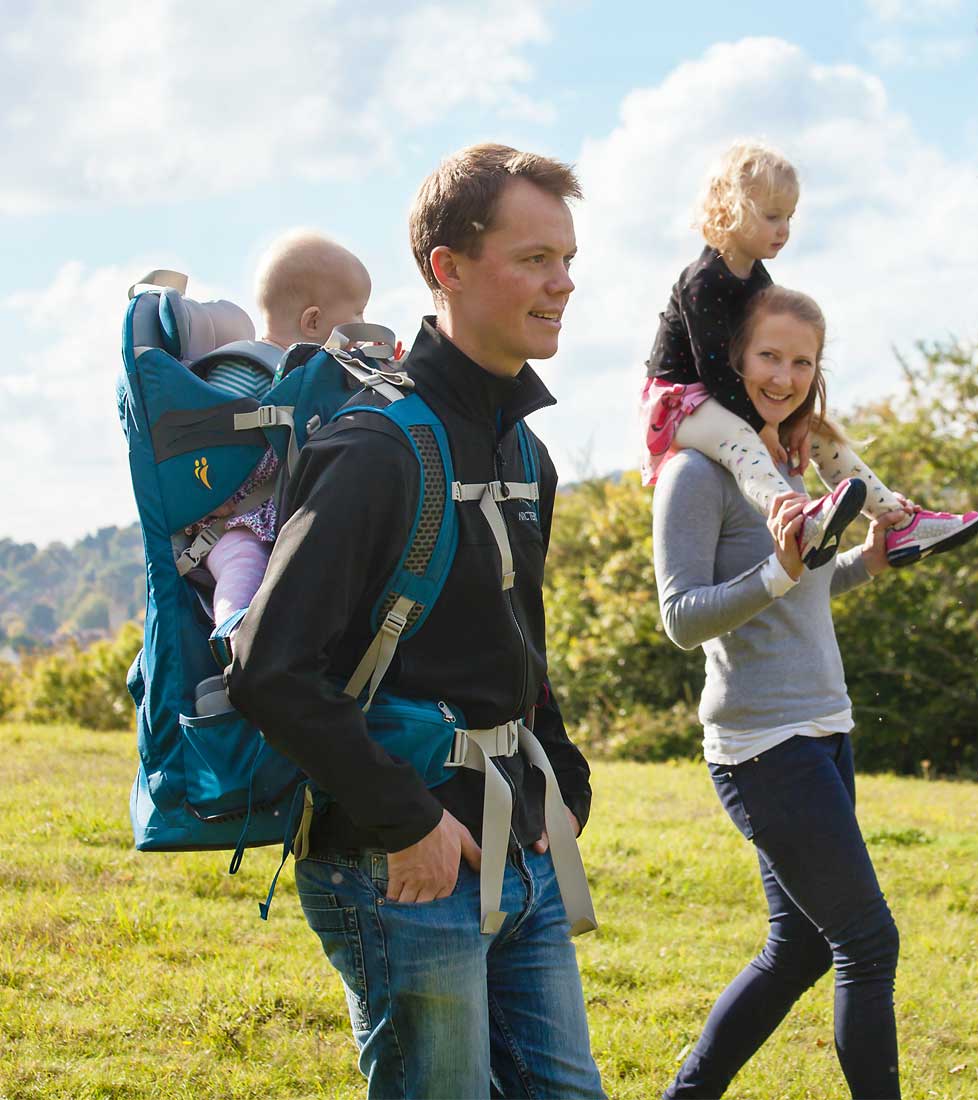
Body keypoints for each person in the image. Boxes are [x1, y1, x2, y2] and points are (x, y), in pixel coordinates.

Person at [227, 145, 604, 1099]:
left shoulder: (525, 449)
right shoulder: (373, 448)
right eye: (533, 259)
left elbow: (521, 642)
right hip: (403, 869)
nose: (561, 283)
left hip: (521, 848)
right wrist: (407, 824)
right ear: (448, 267)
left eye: (566, 259)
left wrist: (563, 779)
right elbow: (270, 668)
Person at [653, 286, 904, 1099]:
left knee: (797, 947)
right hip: (763, 749)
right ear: (733, 359)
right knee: (867, 943)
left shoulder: (787, 469)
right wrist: (778, 569)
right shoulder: (696, 473)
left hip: (826, 731)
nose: (785, 375)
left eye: (803, 361)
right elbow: (682, 618)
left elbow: (801, 595)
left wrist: (865, 563)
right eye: (769, 356)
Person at [643, 139, 978, 570]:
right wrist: (764, 424)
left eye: (789, 217)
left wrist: (798, 417)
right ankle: (796, 519)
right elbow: (713, 370)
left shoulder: (758, 280)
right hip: (680, 401)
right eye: (771, 217)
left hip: (731, 396)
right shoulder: (703, 280)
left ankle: (895, 520)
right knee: (742, 443)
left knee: (820, 433)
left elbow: (780, 354)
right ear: (731, 208)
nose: (784, 229)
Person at [194, 231, 373, 625]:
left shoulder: (321, 383)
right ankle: (232, 634)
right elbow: (207, 439)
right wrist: (209, 496)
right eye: (357, 313)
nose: (364, 324)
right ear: (313, 321)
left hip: (284, 521)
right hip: (234, 521)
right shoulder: (249, 370)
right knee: (243, 564)